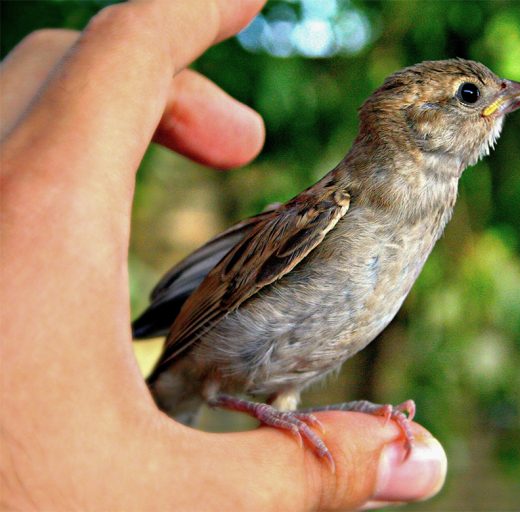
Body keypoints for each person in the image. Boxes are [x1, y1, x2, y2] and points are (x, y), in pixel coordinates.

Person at [0, 1, 447, 510]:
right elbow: (221, 290)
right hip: (197, 371)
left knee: (289, 409)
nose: (500, 101)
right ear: (418, 122)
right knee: (275, 417)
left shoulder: (423, 214)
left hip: (267, 383)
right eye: (469, 97)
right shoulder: (332, 208)